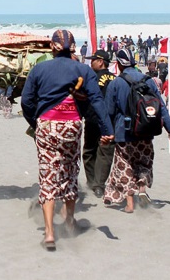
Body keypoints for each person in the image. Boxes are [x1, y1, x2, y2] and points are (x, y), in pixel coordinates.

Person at [21, 29, 114, 250]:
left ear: (52, 47)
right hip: (72, 125)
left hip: (46, 125)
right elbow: (97, 101)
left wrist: (35, 122)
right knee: (70, 170)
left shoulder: (39, 69)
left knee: (48, 174)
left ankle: (50, 233)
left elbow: (26, 101)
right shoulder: (82, 69)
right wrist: (107, 129)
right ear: (72, 47)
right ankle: (70, 222)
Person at [102, 49, 170, 212]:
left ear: (119, 64)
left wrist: (108, 133)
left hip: (124, 132)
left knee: (125, 165)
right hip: (146, 129)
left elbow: (109, 111)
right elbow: (161, 106)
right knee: (144, 162)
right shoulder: (148, 81)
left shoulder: (115, 83)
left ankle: (129, 204)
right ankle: (142, 189)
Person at [81, 50, 117, 198]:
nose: (91, 62)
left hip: (93, 119)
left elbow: (85, 98)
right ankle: (99, 184)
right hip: (110, 121)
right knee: (105, 153)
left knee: (89, 151)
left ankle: (92, 182)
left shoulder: (92, 78)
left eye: (94, 60)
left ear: (101, 61)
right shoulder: (115, 79)